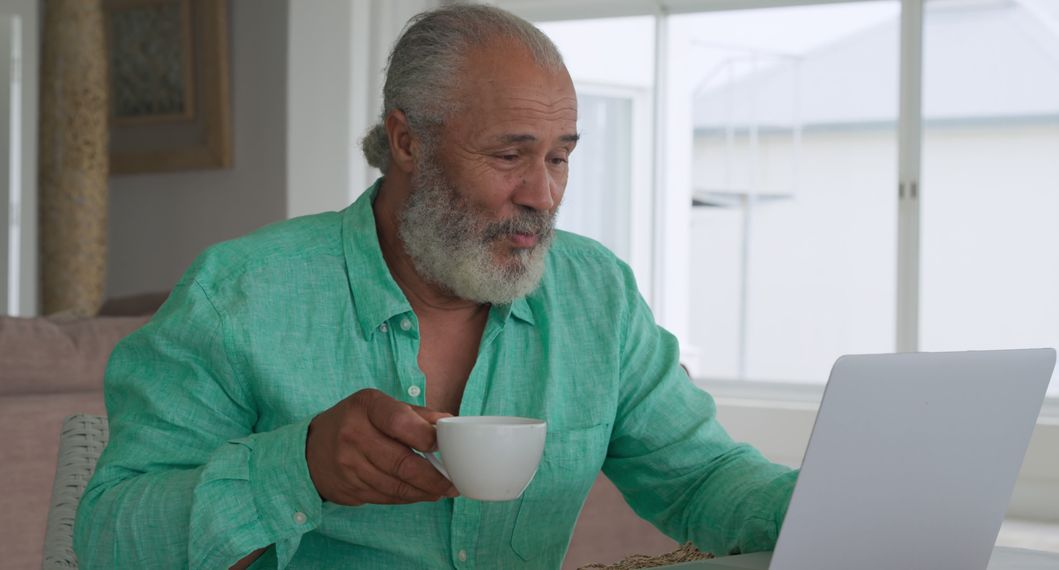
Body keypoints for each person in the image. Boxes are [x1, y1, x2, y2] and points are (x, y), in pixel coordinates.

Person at [74, 5, 796, 568]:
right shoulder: (237, 295)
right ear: (408, 141)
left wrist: (848, 511)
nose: (543, 194)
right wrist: (296, 467)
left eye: (559, 157)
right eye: (510, 154)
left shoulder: (595, 294)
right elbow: (108, 542)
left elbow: (701, 479)